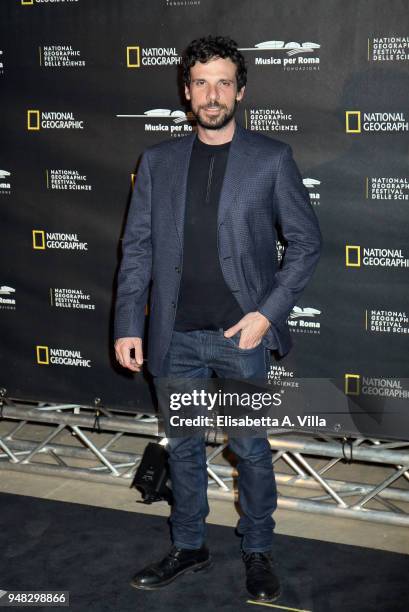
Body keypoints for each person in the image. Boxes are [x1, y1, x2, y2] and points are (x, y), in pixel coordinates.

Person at [114, 35, 322, 602]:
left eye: (223, 82)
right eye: (201, 82)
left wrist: (267, 314)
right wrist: (129, 324)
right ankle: (189, 545)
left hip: (239, 338)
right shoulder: (157, 163)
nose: (212, 94)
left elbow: (305, 243)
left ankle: (257, 551)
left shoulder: (270, 159)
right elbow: (136, 250)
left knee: (250, 449)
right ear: (187, 91)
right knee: (182, 447)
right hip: (175, 339)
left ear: (241, 90)